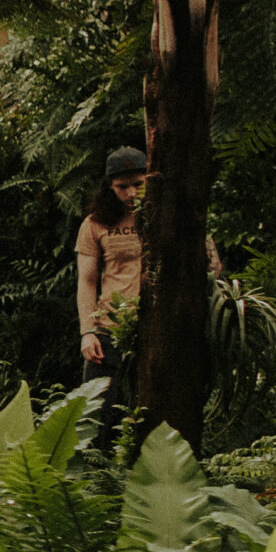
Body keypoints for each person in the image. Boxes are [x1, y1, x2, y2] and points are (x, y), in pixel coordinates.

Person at [77, 144, 222, 406]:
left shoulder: (171, 214)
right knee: (93, 416)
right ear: (109, 185)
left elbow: (212, 266)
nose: (131, 193)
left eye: (138, 184)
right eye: (123, 186)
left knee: (149, 412)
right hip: (111, 333)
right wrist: (88, 332)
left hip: (161, 328)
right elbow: (87, 281)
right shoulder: (95, 223)